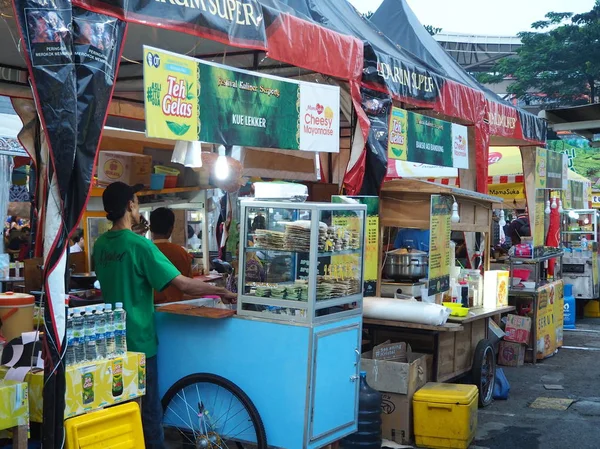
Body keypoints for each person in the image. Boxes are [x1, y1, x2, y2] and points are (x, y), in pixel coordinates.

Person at [93, 182, 236, 449]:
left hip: (109, 343)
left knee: (118, 412)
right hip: (139, 342)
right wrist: (218, 291)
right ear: (130, 205)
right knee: (149, 415)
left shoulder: (100, 245)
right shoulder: (140, 246)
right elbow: (182, 284)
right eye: (135, 201)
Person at [150, 207, 193, 304]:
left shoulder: (144, 252)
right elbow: (189, 286)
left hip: (151, 310)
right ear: (171, 229)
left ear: (150, 228)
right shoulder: (182, 253)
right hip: (176, 309)